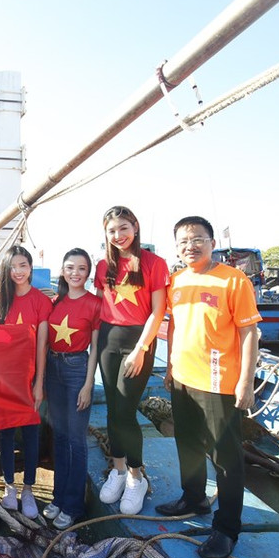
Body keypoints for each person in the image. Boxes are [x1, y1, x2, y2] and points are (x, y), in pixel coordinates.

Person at [157, 215, 261, 558]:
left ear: (212, 243)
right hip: (183, 378)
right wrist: (170, 367)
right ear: (177, 247)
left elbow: (249, 333)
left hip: (219, 382)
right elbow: (173, 327)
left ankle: (227, 528)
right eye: (184, 241)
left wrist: (245, 381)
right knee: (187, 444)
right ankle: (193, 497)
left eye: (198, 239)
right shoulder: (177, 281)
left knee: (226, 458)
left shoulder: (235, 280)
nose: (191, 246)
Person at [94, 206, 169, 515]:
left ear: (135, 227)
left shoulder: (154, 263)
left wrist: (141, 348)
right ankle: (119, 469)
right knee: (113, 411)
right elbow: (98, 305)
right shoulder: (103, 266)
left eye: (123, 228)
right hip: (108, 341)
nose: (118, 235)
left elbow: (158, 310)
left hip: (138, 341)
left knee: (126, 412)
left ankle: (137, 477)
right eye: (112, 231)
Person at [41, 248, 101, 529]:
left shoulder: (94, 304)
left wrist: (88, 384)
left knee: (76, 440)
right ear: (62, 271)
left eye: (81, 268)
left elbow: (96, 347)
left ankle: (73, 505)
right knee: (60, 437)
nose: (75, 273)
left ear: (88, 273)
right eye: (70, 267)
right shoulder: (55, 302)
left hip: (78, 368)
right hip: (53, 367)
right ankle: (58, 497)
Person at [0, 246, 51, 520]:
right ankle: (9, 486)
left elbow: (42, 346)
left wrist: (38, 383)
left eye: (23, 265)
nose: (18, 271)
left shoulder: (41, 301)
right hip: (5, 379)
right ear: (7, 269)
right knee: (5, 435)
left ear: (31, 267)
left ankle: (28, 488)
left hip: (29, 379)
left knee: (30, 434)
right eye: (13, 266)